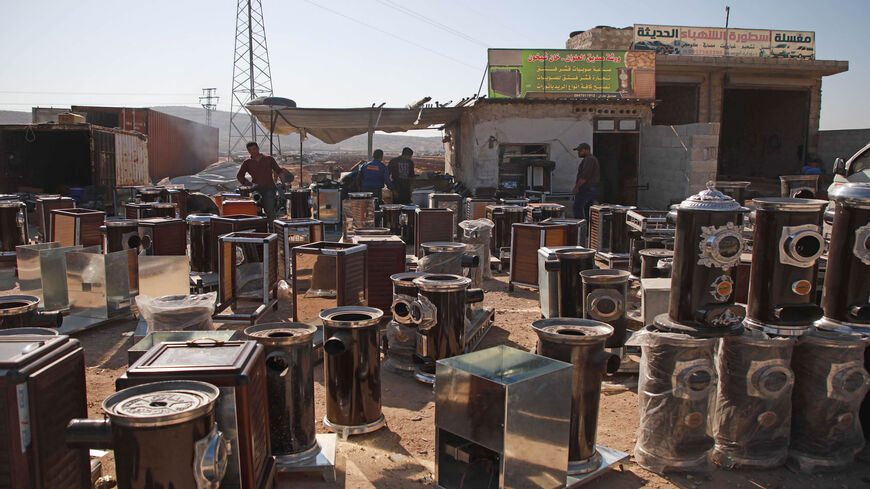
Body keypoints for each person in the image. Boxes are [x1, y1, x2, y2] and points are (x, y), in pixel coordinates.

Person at [236, 141, 291, 223]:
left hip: (269, 188)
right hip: (256, 189)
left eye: (254, 149)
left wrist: (284, 184)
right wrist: (249, 184)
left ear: (258, 148)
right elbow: (240, 176)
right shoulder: (247, 162)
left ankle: (273, 229)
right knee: (254, 210)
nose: (253, 151)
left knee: (269, 209)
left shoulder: (268, 159)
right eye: (250, 150)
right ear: (248, 151)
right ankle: (261, 230)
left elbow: (279, 171)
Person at [571, 142, 600, 220]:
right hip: (590, 189)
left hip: (586, 189)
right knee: (588, 211)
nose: (579, 152)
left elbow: (585, 176)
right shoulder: (590, 159)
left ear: (587, 150)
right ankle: (587, 230)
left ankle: (580, 229)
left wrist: (576, 187)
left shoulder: (589, 159)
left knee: (577, 208)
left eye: (580, 151)